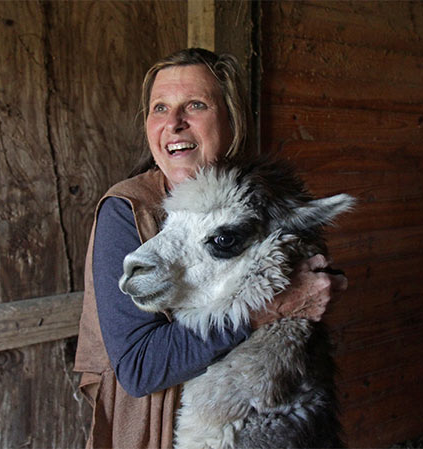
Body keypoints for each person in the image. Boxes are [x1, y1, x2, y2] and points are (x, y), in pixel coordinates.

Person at [74, 48, 348, 449]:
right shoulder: (126, 210)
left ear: (231, 117)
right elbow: (138, 368)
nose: (174, 123)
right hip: (160, 419)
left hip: (252, 409)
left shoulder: (253, 196)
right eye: (160, 108)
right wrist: (269, 309)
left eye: (195, 105)